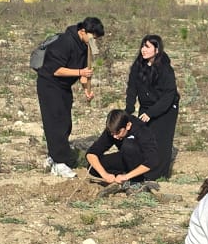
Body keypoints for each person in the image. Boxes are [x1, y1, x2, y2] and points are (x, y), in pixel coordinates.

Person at [34, 17, 104, 178]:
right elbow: (56, 70)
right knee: (55, 122)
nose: (95, 41)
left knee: (66, 123)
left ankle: (54, 156)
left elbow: (84, 73)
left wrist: (87, 90)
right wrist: (80, 73)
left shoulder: (85, 46)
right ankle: (59, 163)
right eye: (93, 36)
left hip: (64, 88)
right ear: (83, 31)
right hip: (49, 85)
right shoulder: (64, 43)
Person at [123, 33, 179, 179]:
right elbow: (132, 90)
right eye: (142, 46)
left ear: (157, 50)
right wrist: (128, 110)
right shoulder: (137, 66)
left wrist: (151, 113)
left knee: (161, 140)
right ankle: (143, 171)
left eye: (147, 47)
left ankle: (159, 175)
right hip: (146, 106)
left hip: (166, 107)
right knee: (145, 138)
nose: (143, 49)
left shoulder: (166, 70)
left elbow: (169, 95)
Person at [85, 109, 152, 186]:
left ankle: (138, 181)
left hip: (143, 163)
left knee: (128, 145)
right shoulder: (114, 130)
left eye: (117, 133)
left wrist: (127, 176)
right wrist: (105, 175)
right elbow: (91, 153)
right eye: (112, 134)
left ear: (128, 126)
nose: (115, 136)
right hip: (126, 158)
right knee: (93, 166)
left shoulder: (140, 129)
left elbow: (151, 161)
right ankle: (125, 182)